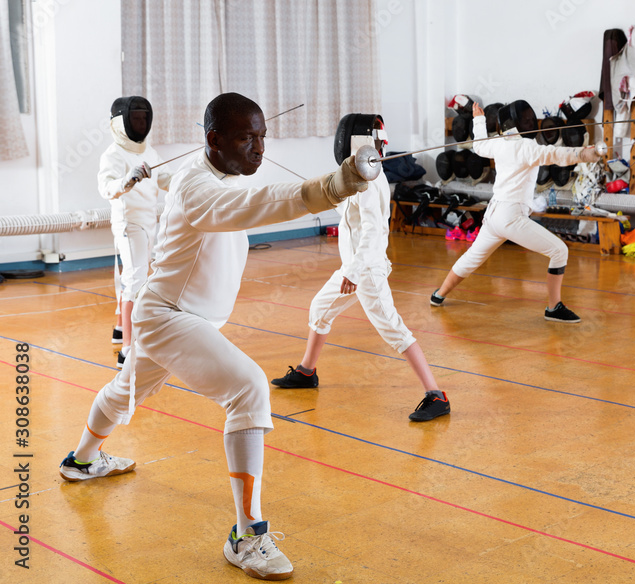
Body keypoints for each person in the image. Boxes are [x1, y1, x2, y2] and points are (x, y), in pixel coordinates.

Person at [58, 92, 371, 580]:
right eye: (247, 138)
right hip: (168, 317)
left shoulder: (218, 176)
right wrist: (329, 187)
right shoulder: (198, 188)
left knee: (125, 389)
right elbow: (253, 204)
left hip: (177, 318)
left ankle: (81, 461)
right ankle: (247, 535)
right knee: (248, 387)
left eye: (262, 137)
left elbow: (247, 197)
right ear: (214, 139)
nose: (259, 148)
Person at [271, 113, 450, 422]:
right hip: (352, 268)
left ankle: (437, 395)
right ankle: (306, 372)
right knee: (320, 309)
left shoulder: (369, 180)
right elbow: (345, 206)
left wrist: (353, 273)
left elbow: (372, 231)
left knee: (394, 330)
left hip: (366, 271)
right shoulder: (358, 175)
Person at [429, 100, 603, 322]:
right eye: (527, 119)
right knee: (559, 251)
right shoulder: (526, 147)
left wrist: (479, 119)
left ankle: (439, 294)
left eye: (530, 119)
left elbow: (479, 146)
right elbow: (555, 155)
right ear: (517, 124)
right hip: (510, 217)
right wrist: (584, 154)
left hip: (493, 215)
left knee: (472, 257)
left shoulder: (499, 143)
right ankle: (553, 307)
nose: (530, 122)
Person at [97, 96, 171, 368]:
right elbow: (106, 188)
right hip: (129, 223)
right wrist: (127, 180)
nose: (140, 123)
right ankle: (127, 350)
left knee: (135, 274)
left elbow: (167, 179)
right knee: (136, 279)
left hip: (148, 221)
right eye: (135, 118)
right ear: (121, 122)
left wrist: (195, 178)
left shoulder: (148, 151)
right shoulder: (113, 154)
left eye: (143, 118)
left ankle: (120, 328)